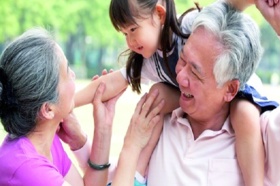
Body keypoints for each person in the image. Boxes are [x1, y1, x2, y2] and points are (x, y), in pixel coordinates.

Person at [75, 0, 278, 184]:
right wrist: (67, 103)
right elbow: (110, 83)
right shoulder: (150, 61)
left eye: (133, 29)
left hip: (238, 87)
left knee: (244, 113)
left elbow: (230, 7)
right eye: (125, 33)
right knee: (156, 97)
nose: (129, 41)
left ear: (160, 14)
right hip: (193, 93)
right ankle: (138, 173)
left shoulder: (189, 25)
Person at [131, 0, 280, 185]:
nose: (180, 78)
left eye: (195, 72)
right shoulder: (158, 120)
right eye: (182, 59)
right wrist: (103, 132)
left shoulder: (264, 139)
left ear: (230, 89)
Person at [0, 28, 164, 186]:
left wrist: (103, 126)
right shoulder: (27, 169)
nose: (73, 75)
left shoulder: (43, 141)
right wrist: (132, 145)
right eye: (67, 71)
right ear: (48, 109)